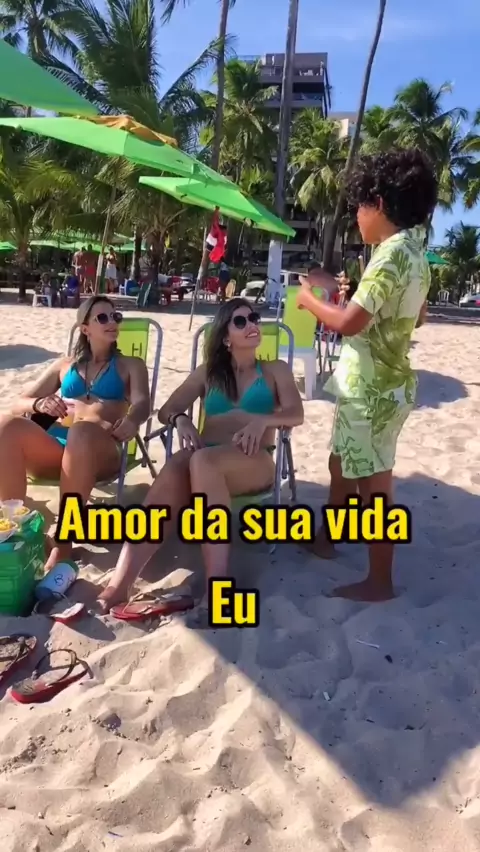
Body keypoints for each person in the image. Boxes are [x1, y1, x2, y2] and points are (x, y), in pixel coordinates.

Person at [97, 298, 304, 611]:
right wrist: (182, 420)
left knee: (200, 460)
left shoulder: (275, 370)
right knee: (179, 463)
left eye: (254, 318)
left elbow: (296, 414)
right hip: (205, 459)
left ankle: (216, 585)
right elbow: (167, 410)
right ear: (225, 337)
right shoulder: (208, 373)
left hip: (253, 459)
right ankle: (120, 583)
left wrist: (263, 420)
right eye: (240, 321)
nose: (252, 325)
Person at [296, 148, 437, 602]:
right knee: (340, 463)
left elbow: (348, 323)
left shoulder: (389, 254)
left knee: (374, 485)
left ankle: (379, 580)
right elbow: (418, 316)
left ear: (378, 202)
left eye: (360, 205)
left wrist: (309, 300)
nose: (356, 216)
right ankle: (327, 539)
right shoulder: (415, 253)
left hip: (372, 389)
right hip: (383, 383)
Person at [0, 296, 151, 572]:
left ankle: (64, 540)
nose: (112, 322)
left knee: (81, 432)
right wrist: (40, 404)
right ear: (85, 329)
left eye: (115, 316)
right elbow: (20, 401)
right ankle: (14, 528)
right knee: (6, 425)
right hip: (59, 447)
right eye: (102, 317)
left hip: (102, 447)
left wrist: (133, 419)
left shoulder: (131, 364)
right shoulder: (64, 366)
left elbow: (143, 403)